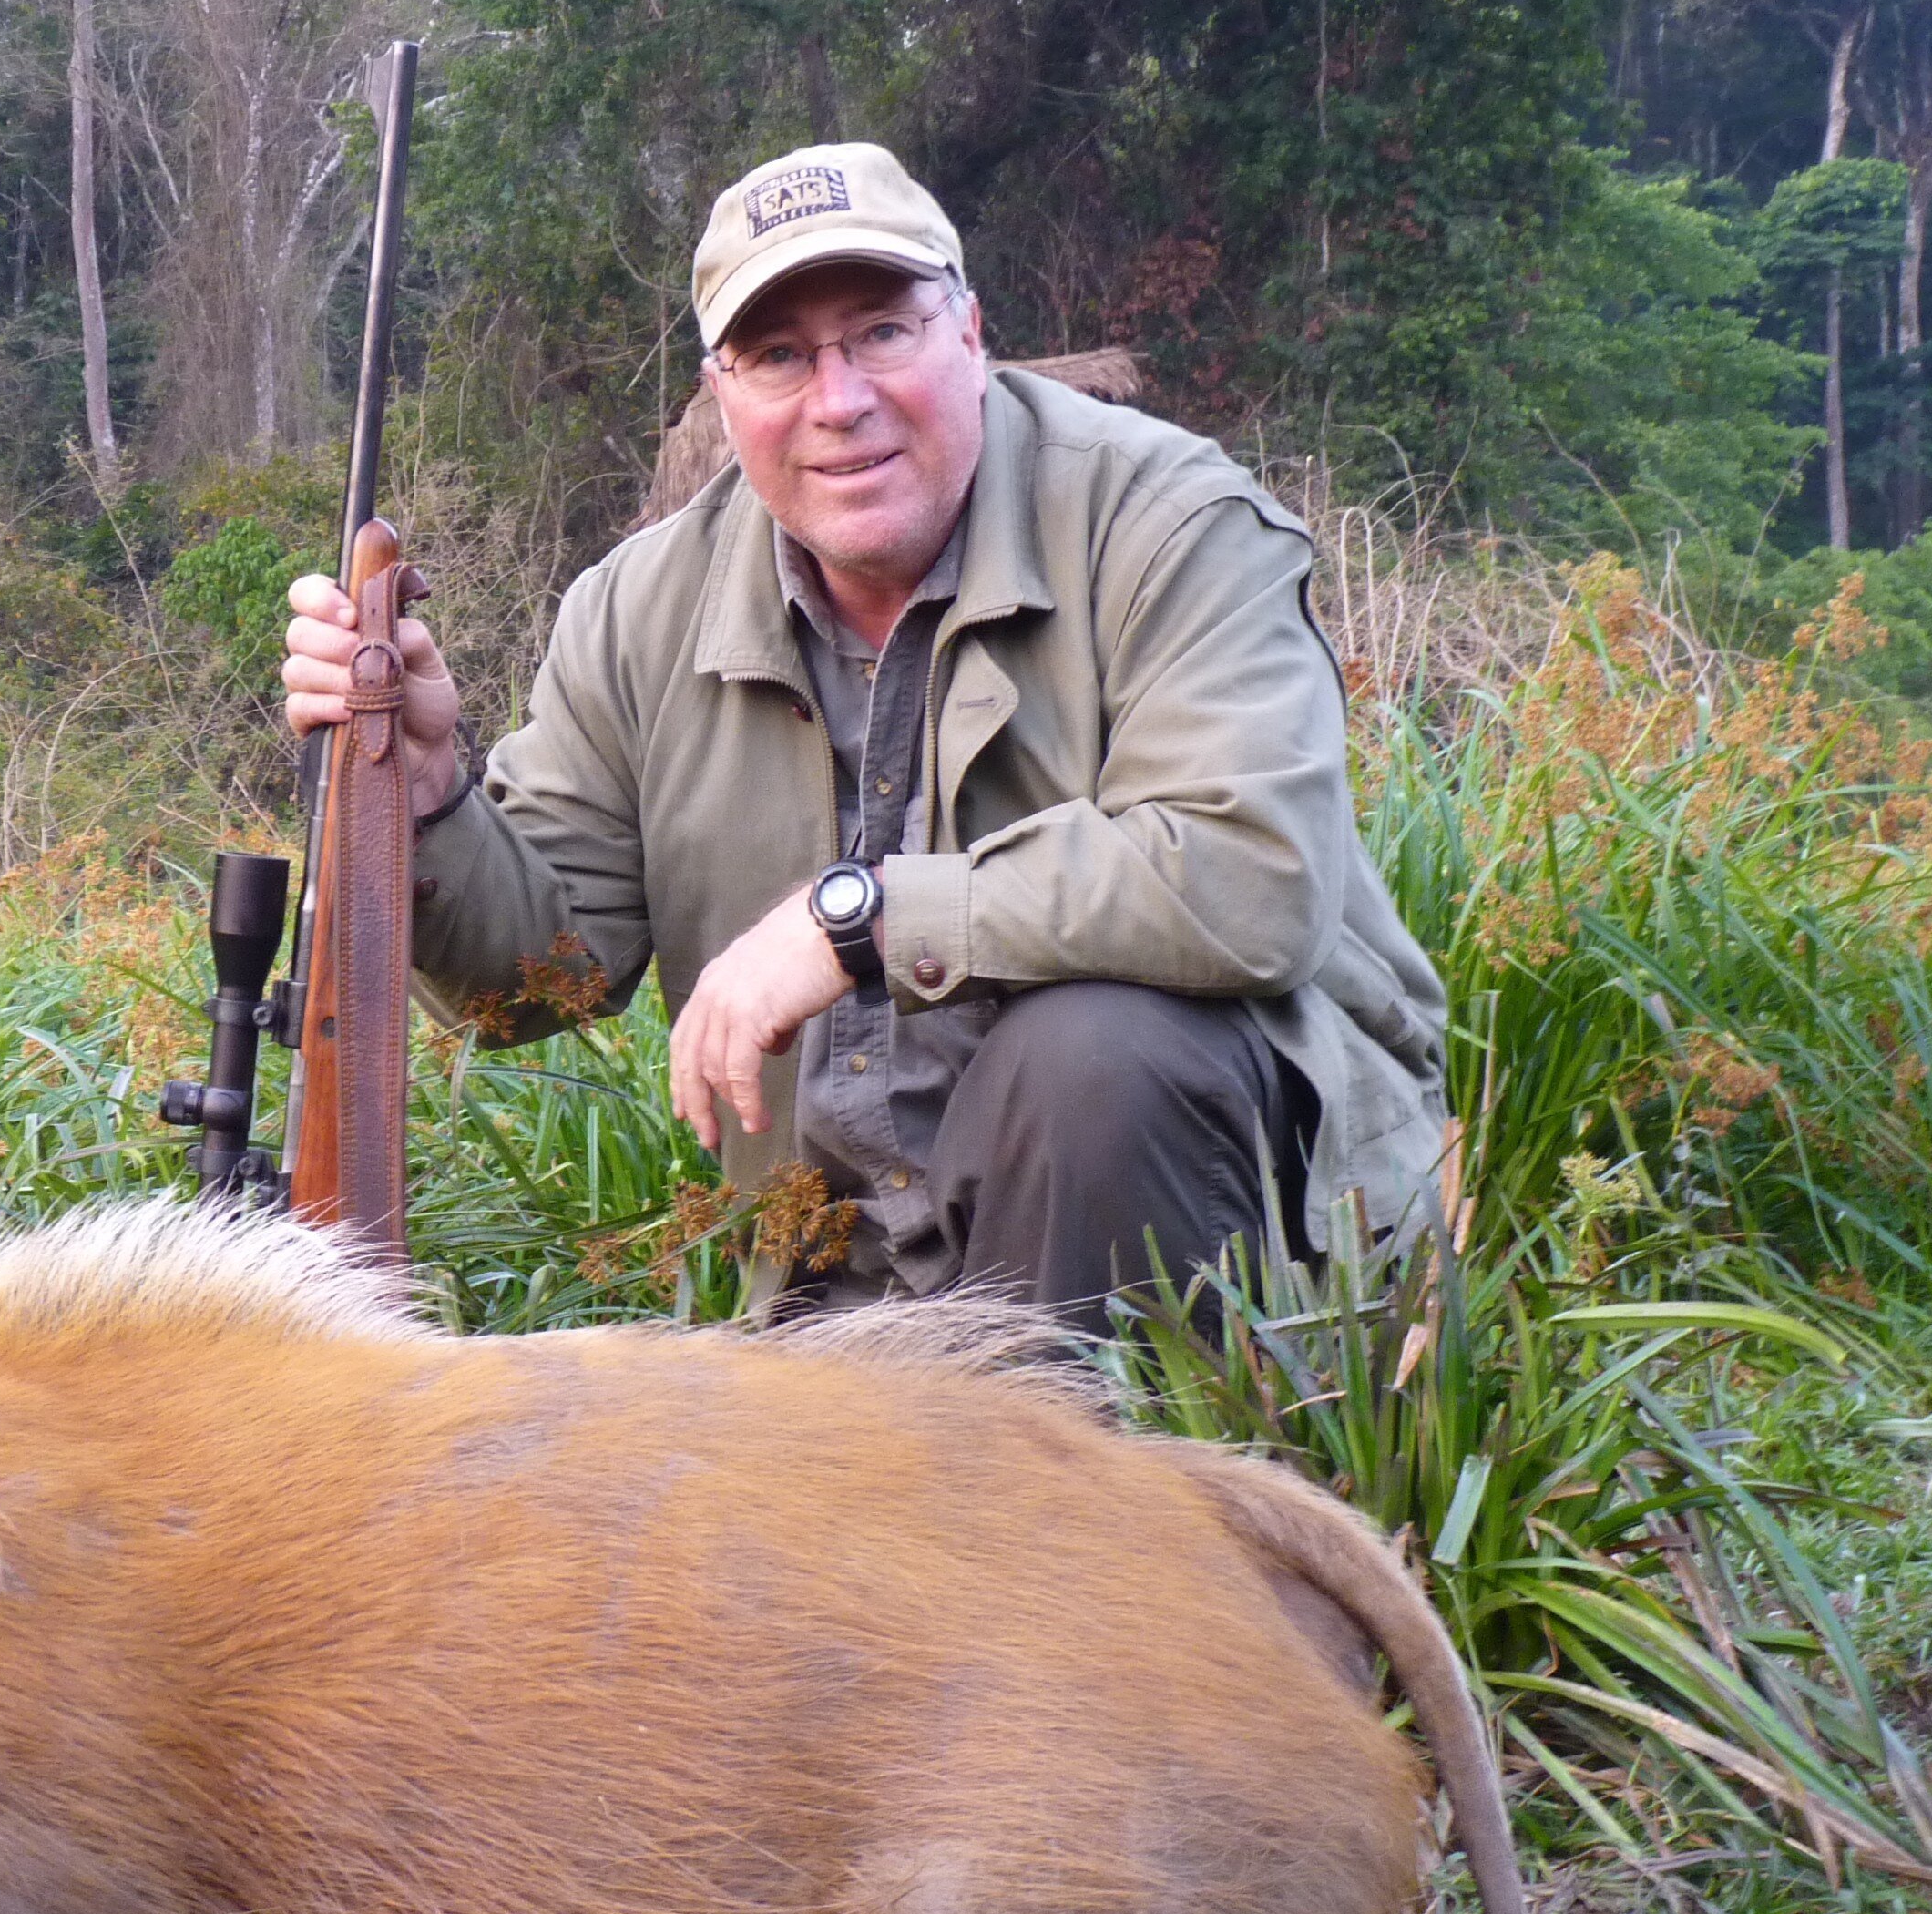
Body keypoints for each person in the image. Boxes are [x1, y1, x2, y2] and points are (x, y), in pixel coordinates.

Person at [280, 142, 1450, 1321]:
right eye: (779, 355)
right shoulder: (635, 610)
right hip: (842, 1296)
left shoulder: (1174, 526)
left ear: (971, 333)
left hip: (1261, 1266)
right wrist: (427, 800)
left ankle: (1104, 1479)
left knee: (1093, 1060)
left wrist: (865, 919)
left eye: (882, 332)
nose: (838, 401)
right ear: (719, 392)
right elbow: (531, 982)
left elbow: (1254, 875)